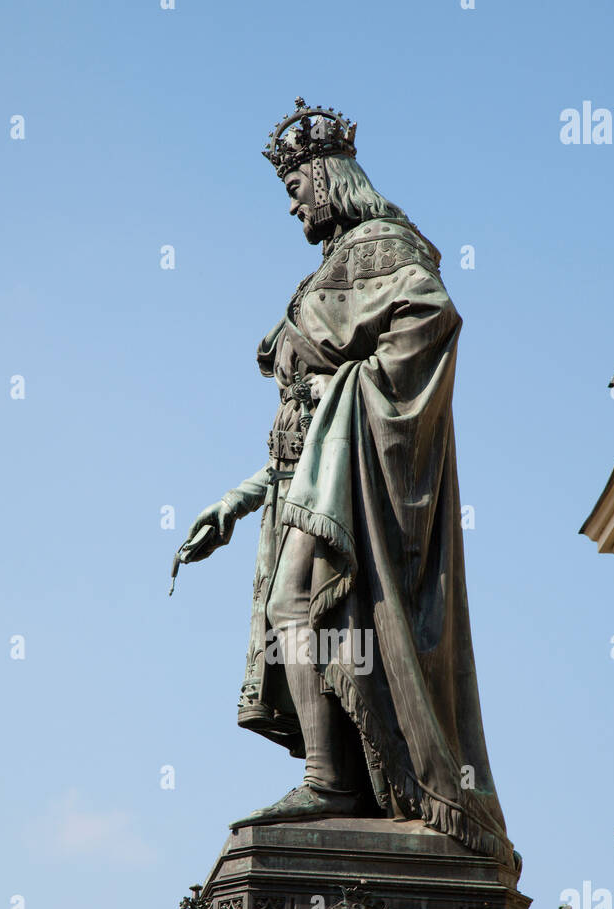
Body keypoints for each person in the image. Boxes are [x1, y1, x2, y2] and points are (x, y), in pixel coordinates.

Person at [176, 99, 513, 867]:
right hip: (315, 475)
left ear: (330, 175)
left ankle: (330, 782)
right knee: (303, 613)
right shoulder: (330, 264)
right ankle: (346, 778)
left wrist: (352, 395)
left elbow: (430, 318)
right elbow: (302, 425)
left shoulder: (381, 246)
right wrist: (235, 500)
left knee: (296, 604)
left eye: (298, 184)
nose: (292, 201)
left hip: (358, 479)